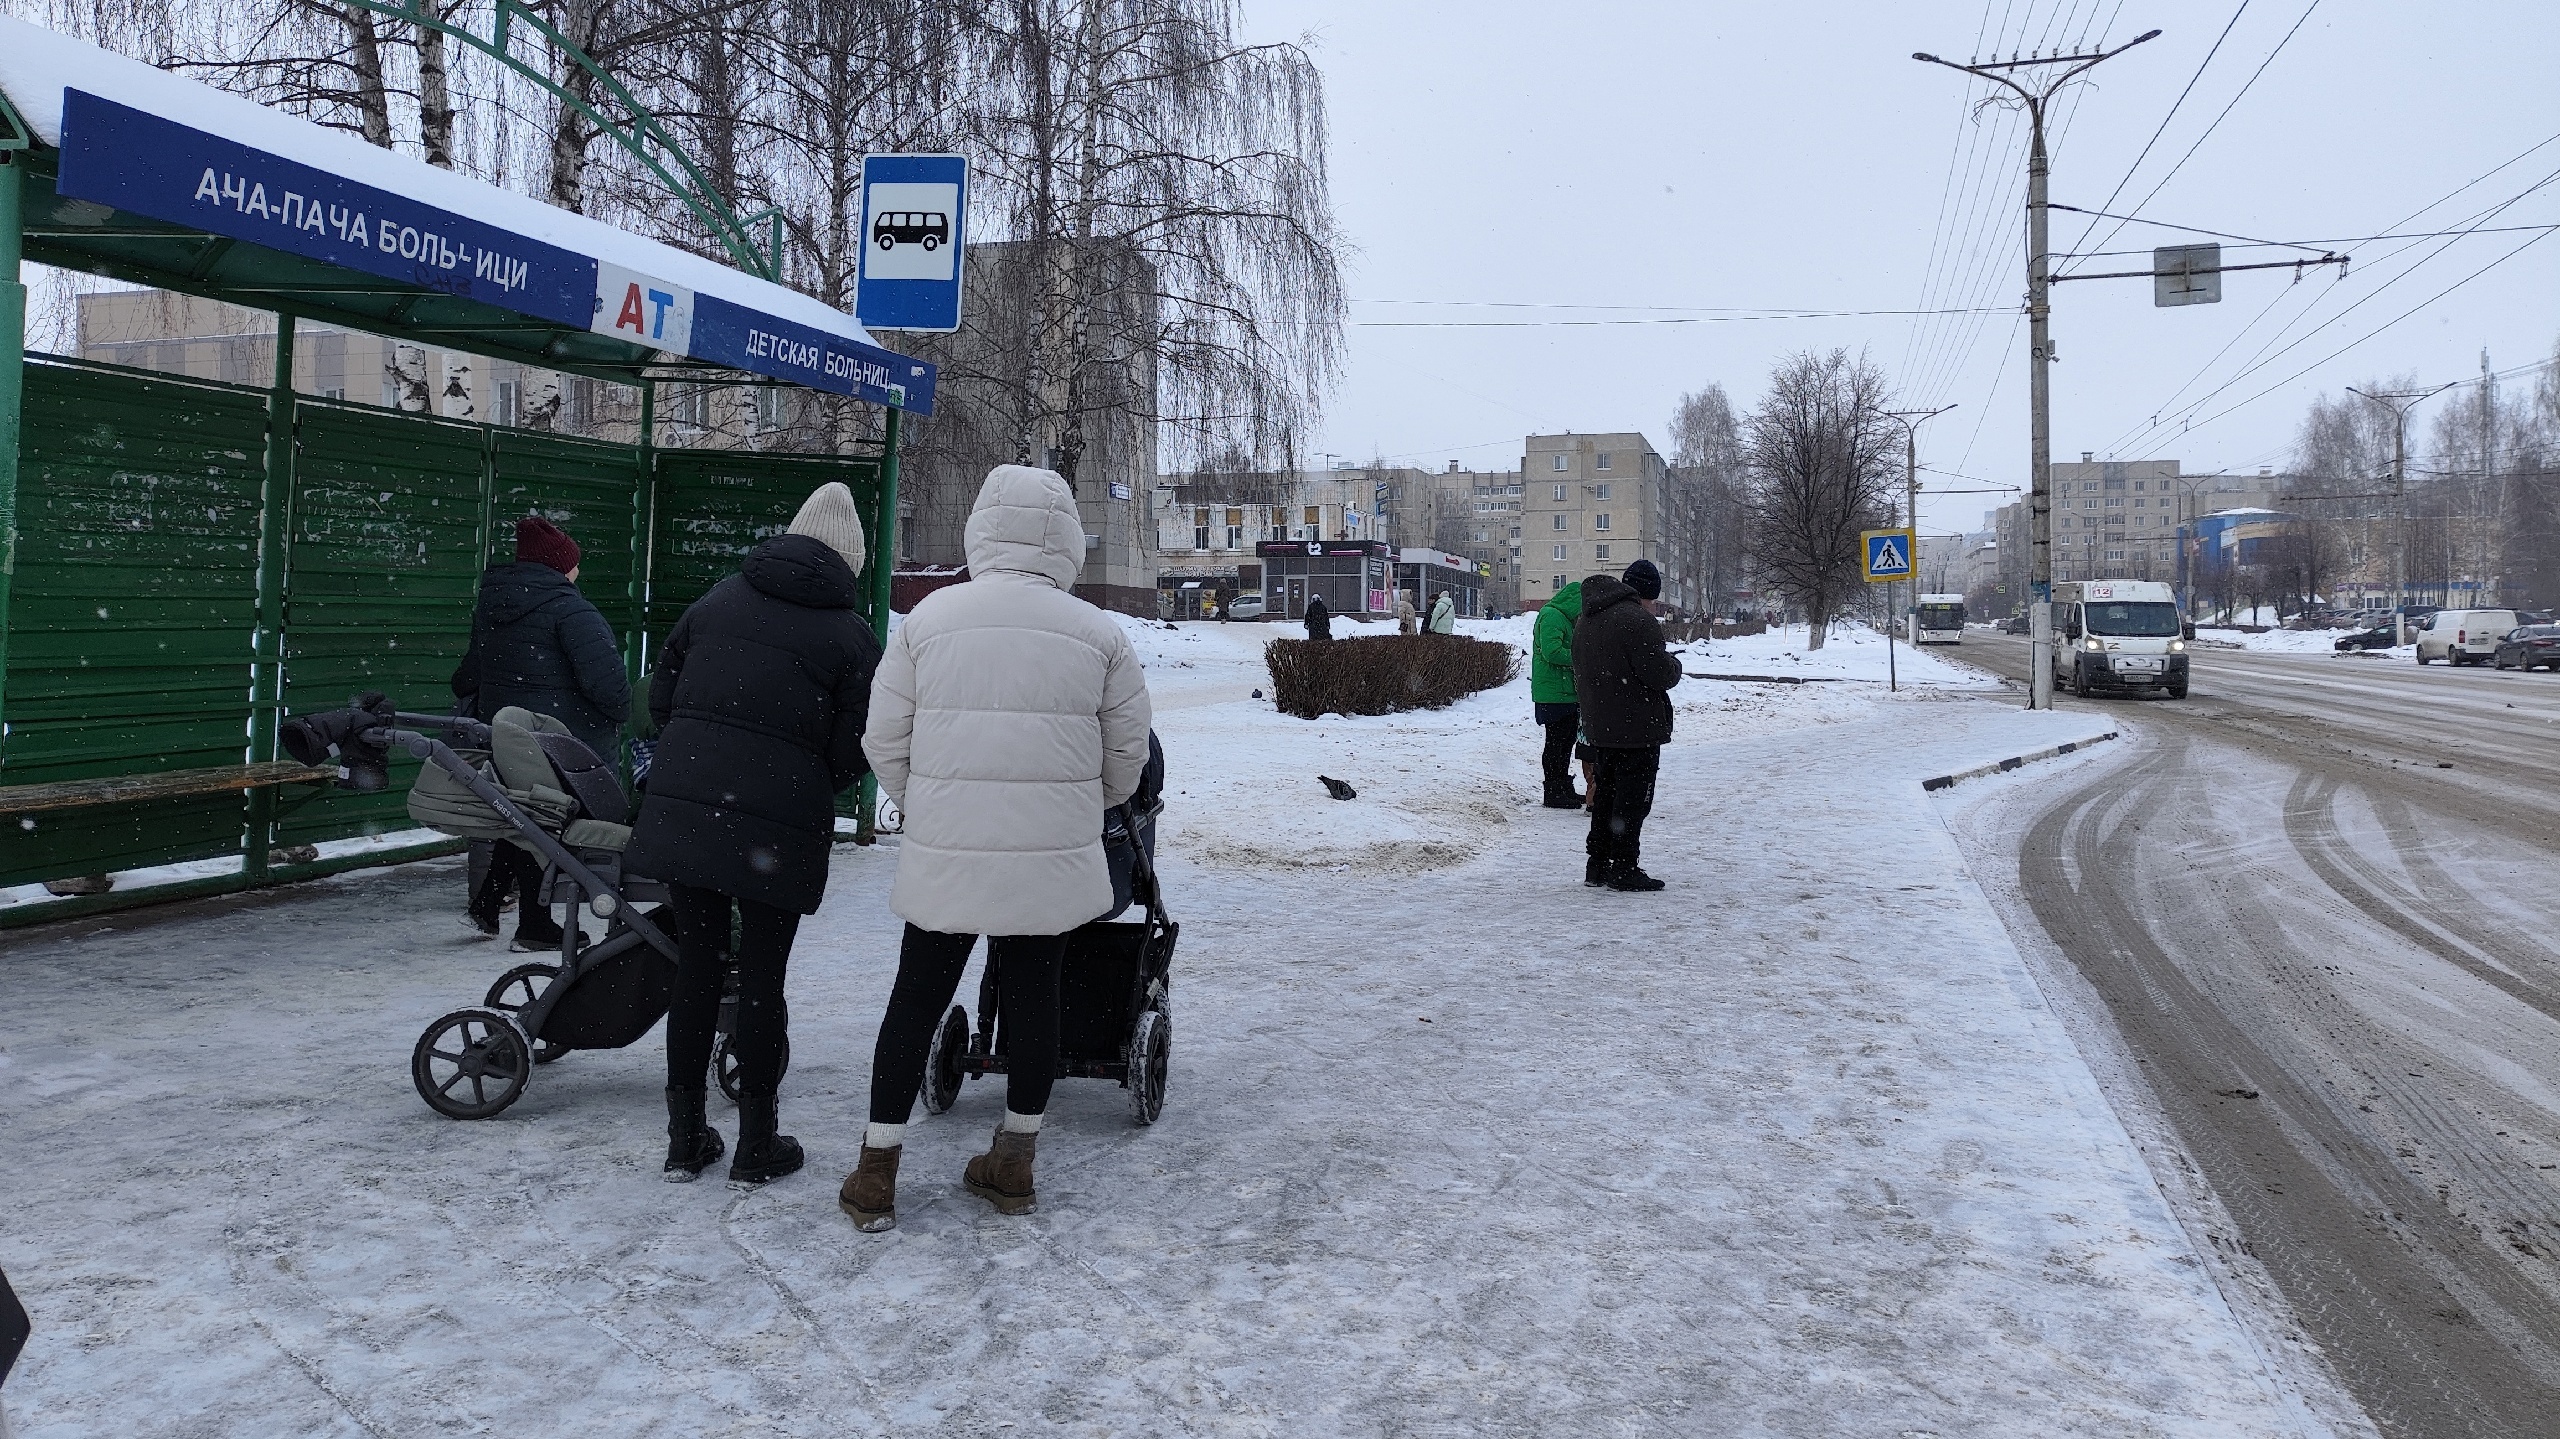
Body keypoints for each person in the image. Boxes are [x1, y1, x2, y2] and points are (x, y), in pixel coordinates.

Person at [839, 466, 1153, 1231]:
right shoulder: (1100, 634)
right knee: (1034, 997)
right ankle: (1013, 1161)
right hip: (1048, 853)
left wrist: (930, 801)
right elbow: (1128, 758)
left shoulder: (928, 621)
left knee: (916, 995)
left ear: (982, 527)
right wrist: (1082, 804)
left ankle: (877, 1170)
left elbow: (883, 738)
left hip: (950, 847)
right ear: (1068, 543)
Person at [623, 483, 881, 1185]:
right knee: (764, 974)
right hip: (778, 822)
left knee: (698, 965)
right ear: (849, 562)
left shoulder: (716, 601)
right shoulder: (851, 637)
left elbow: (663, 699)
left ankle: (684, 1139)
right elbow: (857, 743)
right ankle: (755, 1144)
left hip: (685, 806)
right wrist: (802, 780)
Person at [453, 515, 629, 949]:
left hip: (508, 737)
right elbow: (609, 689)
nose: (578, 572)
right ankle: (533, 926)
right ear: (560, 566)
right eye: (574, 564)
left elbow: (466, 677)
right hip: (561, 741)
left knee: (526, 818)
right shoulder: (573, 610)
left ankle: (488, 904)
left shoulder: (494, 607)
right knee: (546, 823)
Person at [1574, 559, 1682, 892]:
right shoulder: (1638, 621)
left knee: (1606, 795)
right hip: (1637, 728)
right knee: (1633, 801)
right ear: (1647, 593)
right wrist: (1674, 665)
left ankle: (1598, 864)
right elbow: (1658, 674)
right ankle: (1624, 866)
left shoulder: (1587, 617)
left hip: (1601, 724)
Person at [1530, 579, 1585, 808]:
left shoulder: (1564, 618)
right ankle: (1553, 791)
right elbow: (1552, 652)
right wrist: (1581, 659)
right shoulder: (1552, 615)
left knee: (1564, 744)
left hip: (1563, 692)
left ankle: (1562, 786)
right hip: (1553, 693)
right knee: (1556, 744)